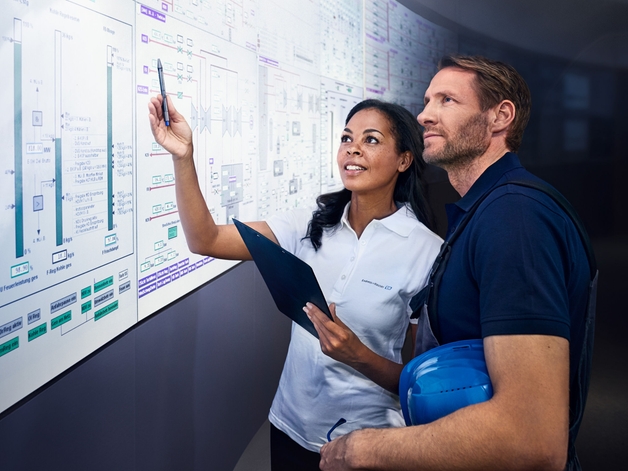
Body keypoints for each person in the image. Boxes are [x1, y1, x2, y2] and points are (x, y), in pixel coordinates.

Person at [316, 55, 593, 471]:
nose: (425, 115)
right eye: (427, 101)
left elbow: (532, 435)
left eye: (447, 100)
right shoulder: (488, 211)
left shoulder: (514, 218)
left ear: (500, 117)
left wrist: (365, 450)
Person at [147, 96, 442, 470]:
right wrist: (182, 157)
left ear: (404, 159)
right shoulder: (309, 225)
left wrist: (357, 355)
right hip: (289, 425)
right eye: (346, 137)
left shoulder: (427, 251)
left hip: (366, 443)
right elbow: (204, 239)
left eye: (371, 140)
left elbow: (418, 382)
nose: (352, 148)